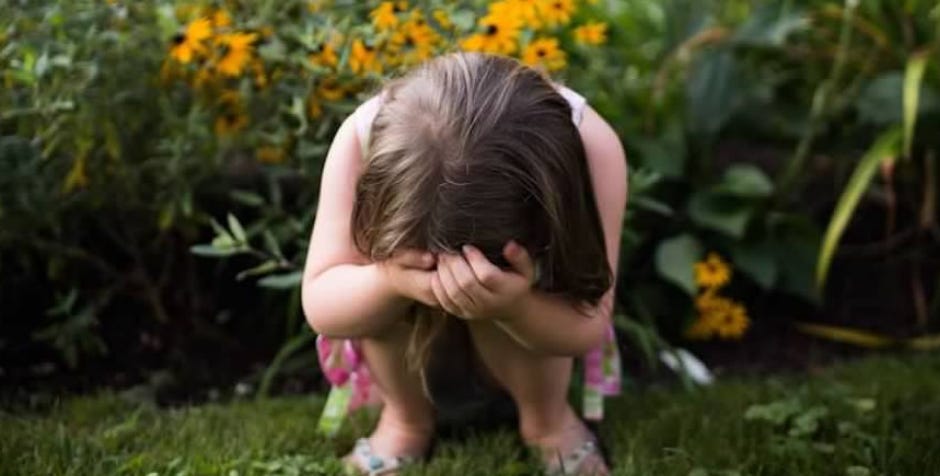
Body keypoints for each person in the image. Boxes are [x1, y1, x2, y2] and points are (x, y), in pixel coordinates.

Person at [302, 52, 628, 475]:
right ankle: (405, 420)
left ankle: (548, 422)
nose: (449, 274)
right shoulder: (364, 137)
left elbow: (588, 322)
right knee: (366, 289)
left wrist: (516, 306)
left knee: (522, 292)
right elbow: (322, 302)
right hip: (407, 337)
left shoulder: (591, 145)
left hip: (538, 334)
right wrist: (389, 280)